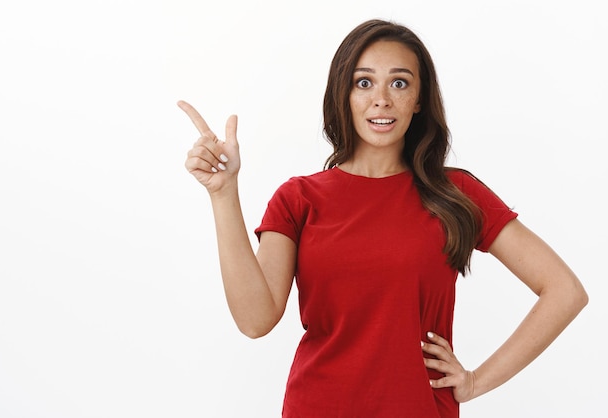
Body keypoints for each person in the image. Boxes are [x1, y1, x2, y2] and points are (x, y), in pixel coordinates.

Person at [178, 19, 588, 418]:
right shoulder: (298, 199)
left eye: (399, 82)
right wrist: (224, 194)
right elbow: (255, 320)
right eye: (363, 82)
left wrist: (476, 381)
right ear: (344, 94)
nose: (382, 99)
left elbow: (564, 291)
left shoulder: (455, 194)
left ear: (419, 99)